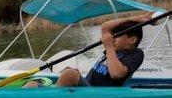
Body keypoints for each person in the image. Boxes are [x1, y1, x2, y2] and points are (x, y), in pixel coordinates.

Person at [24, 12, 154, 88]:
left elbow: (116, 74)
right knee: (32, 85)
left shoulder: (135, 54)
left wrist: (109, 47)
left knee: (71, 74)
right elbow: (105, 27)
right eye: (113, 36)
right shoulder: (113, 49)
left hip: (99, 94)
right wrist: (137, 19)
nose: (112, 38)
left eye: (118, 35)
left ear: (132, 40)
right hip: (87, 87)